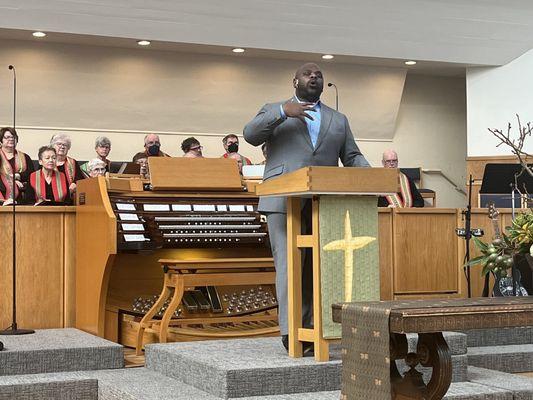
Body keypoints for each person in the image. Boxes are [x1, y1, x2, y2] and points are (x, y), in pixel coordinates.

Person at [243, 62, 370, 352]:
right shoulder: (275, 109)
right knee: (289, 264)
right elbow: (250, 135)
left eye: (319, 75)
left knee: (318, 267)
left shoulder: (338, 119)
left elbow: (352, 156)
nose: (314, 77)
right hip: (282, 199)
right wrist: (282, 112)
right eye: (307, 73)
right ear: (294, 81)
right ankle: (292, 331)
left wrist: (374, 175)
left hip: (324, 200)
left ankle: (314, 327)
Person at [0, 127, 35, 205]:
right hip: (3, 193)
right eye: (7, 137)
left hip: (23, 193)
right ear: (1, 141)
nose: (11, 139)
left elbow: (32, 175)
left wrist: (18, 176)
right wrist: (11, 181)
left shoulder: (25, 157)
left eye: (13, 137)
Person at [50, 133, 83, 198]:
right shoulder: (47, 162)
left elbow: (79, 179)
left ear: (68, 148)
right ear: (53, 146)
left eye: (65, 145)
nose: (62, 147)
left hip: (71, 197)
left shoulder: (73, 162)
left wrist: (74, 185)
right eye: (59, 144)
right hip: (51, 197)